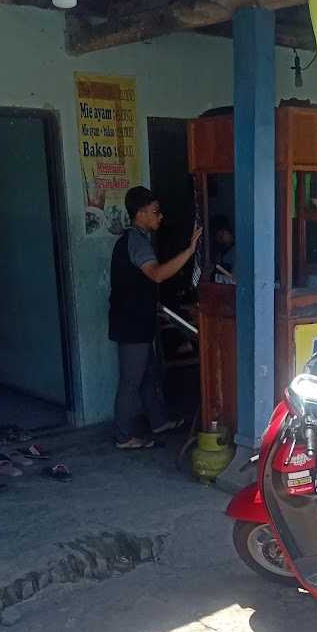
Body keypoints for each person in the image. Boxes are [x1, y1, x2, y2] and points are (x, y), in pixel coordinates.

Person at [109, 186, 201, 449]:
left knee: (149, 374)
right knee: (131, 381)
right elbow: (157, 274)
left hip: (139, 320)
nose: (160, 216)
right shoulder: (136, 242)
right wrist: (189, 251)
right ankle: (123, 436)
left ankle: (159, 421)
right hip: (131, 324)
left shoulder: (137, 239)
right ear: (139, 214)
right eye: (155, 212)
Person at [209, 215, 236, 283]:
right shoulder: (222, 252)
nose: (221, 240)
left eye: (222, 235)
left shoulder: (237, 251)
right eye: (219, 237)